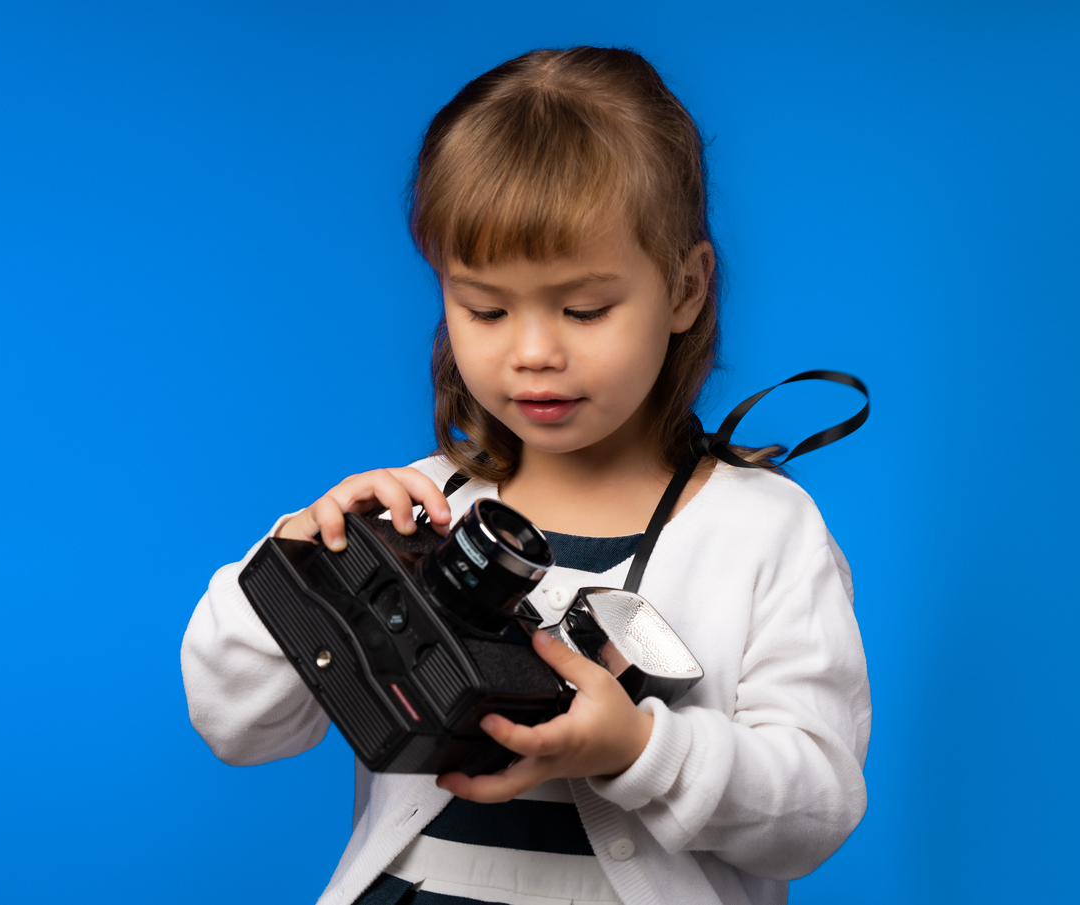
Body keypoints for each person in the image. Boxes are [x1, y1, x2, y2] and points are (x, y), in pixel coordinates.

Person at [181, 46, 870, 905]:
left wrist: (640, 749)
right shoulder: (423, 512)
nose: (534, 352)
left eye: (584, 309)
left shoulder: (763, 531)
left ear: (686, 289)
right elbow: (239, 726)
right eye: (486, 308)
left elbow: (815, 811)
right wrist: (297, 567)